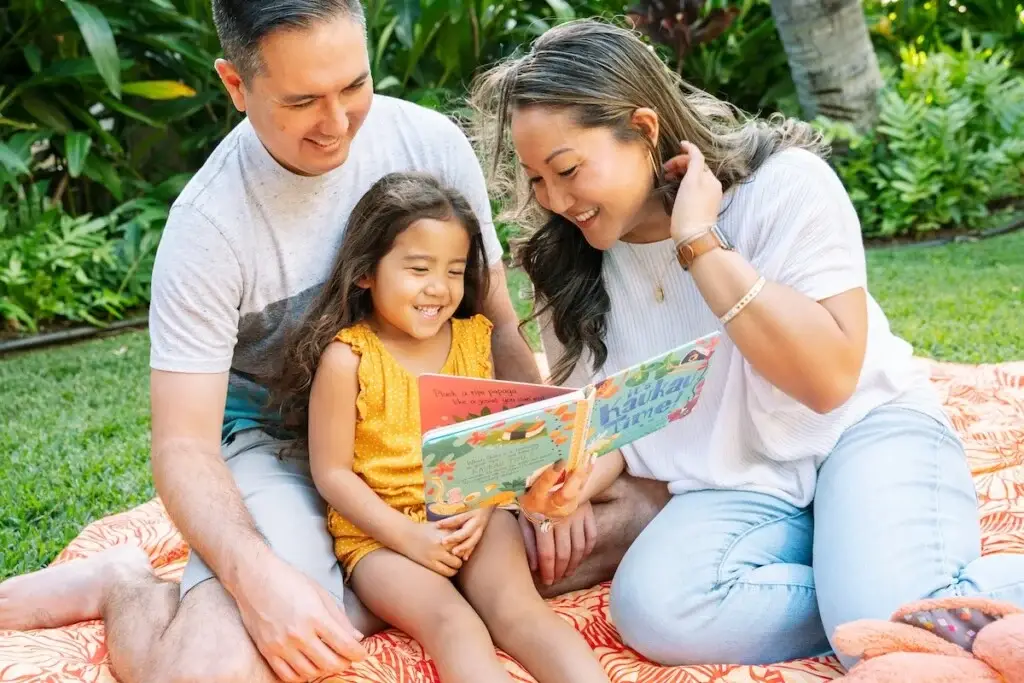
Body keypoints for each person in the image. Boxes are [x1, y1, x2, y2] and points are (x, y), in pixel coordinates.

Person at [0, 4, 666, 682]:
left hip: (430, 448)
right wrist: (257, 578)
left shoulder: (428, 142)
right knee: (219, 669)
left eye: (354, 85)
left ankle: (361, 589)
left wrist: (534, 465)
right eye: (302, 100)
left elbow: (491, 324)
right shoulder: (208, 226)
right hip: (290, 455)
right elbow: (182, 445)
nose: (338, 122)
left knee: (637, 505)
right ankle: (126, 586)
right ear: (236, 85)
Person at [470, 17, 1024, 670]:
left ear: (644, 130)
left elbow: (828, 381)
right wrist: (574, 472)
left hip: (859, 433)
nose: (555, 199)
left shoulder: (784, 186)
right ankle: (868, 585)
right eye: (536, 178)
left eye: (567, 169)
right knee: (656, 606)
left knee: (887, 632)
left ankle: (884, 590)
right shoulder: (567, 266)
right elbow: (617, 417)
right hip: (741, 485)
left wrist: (700, 242)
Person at [265, 170, 610, 683]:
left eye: (453, 271)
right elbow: (333, 475)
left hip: (471, 513)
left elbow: (491, 446)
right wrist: (408, 537)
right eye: (418, 268)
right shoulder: (349, 358)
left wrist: (487, 505)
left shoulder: (475, 339)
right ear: (365, 272)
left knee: (520, 612)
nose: (438, 288)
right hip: (380, 537)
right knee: (456, 625)